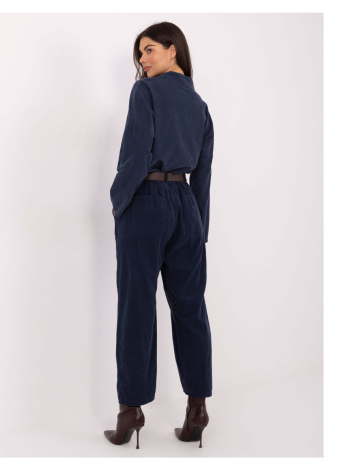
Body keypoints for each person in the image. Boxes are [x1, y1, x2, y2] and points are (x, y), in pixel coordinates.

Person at [104, 21, 214, 449]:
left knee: (136, 306)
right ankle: (197, 408)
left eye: (149, 49)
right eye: (140, 53)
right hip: (187, 205)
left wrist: (119, 202)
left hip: (146, 200)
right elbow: (203, 174)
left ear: (173, 50)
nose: (142, 59)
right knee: (190, 308)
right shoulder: (201, 106)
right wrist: (199, 228)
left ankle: (130, 411)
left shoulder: (145, 92)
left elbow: (136, 153)